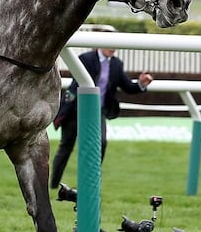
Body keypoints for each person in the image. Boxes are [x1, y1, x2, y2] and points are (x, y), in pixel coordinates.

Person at [49, 48, 154, 188]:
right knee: (66, 147)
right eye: (110, 45)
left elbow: (128, 87)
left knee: (101, 143)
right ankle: (53, 185)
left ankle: (91, 182)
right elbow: (78, 84)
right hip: (75, 110)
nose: (113, 48)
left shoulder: (116, 64)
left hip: (98, 112)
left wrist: (141, 83)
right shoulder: (86, 58)